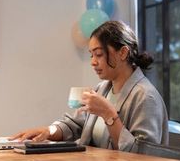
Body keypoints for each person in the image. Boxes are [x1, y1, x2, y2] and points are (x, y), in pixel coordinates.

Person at [11, 20, 168, 151]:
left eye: (99, 54)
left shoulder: (146, 97)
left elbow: (144, 155)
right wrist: (49, 131)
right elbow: (75, 124)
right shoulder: (103, 89)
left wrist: (109, 115)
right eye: (91, 55)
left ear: (123, 53)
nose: (93, 62)